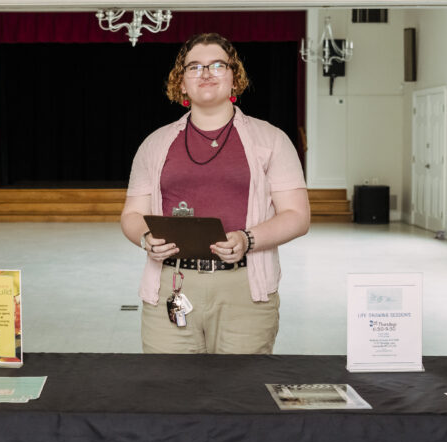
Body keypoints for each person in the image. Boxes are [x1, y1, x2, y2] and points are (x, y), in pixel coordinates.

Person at [120, 32, 310, 354]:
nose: (205, 74)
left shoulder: (271, 140)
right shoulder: (155, 144)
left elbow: (297, 216)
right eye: (194, 67)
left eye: (217, 65)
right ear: (181, 83)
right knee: (168, 391)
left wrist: (247, 239)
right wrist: (145, 238)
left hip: (245, 287)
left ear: (234, 79)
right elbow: (131, 214)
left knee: (239, 397)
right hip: (172, 281)